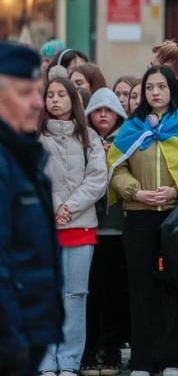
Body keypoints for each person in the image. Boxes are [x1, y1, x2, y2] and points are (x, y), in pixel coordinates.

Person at [109, 65, 178, 376]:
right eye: (149, 87)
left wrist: (175, 189)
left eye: (161, 86)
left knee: (173, 288)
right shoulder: (132, 128)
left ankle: (172, 359)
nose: (154, 92)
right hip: (139, 218)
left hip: (175, 218)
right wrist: (137, 192)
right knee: (141, 290)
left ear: (173, 90)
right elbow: (115, 170)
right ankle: (143, 360)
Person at [38, 76, 108, 376]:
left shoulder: (89, 137)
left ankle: (68, 362)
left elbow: (97, 179)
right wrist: (55, 209)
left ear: (73, 100)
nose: (55, 100)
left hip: (80, 228)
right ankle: (44, 362)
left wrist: (69, 208)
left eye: (61, 94)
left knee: (75, 296)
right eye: (50, 94)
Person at [0, 43, 63, 376]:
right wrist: (12, 343)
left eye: (38, 91)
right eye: (26, 93)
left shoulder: (21, 154)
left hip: (27, 336)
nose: (38, 103)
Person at [81, 88, 130, 376]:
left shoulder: (128, 141)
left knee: (115, 292)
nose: (102, 115)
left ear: (118, 115)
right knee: (90, 292)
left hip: (118, 229)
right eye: (97, 110)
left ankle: (112, 347)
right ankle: (90, 347)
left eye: (108, 110)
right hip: (88, 228)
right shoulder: (82, 142)